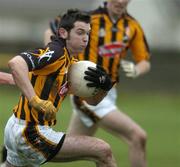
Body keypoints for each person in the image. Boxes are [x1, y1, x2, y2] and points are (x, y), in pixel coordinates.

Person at [1, 9, 117, 167]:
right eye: (80, 32)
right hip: (31, 132)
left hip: (20, 129)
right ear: (63, 33)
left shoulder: (71, 62)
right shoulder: (56, 52)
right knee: (103, 150)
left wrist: (104, 87)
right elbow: (16, 63)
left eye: (88, 33)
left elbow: (92, 102)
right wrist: (35, 100)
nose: (85, 38)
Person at [44, 1, 151, 167]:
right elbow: (51, 29)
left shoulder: (132, 25)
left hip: (108, 93)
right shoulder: (89, 19)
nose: (121, 1)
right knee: (138, 136)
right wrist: (54, 60)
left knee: (61, 151)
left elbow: (144, 61)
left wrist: (137, 69)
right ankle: (23, 148)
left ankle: (18, 153)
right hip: (86, 93)